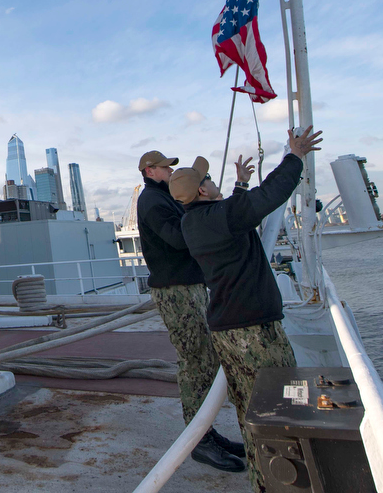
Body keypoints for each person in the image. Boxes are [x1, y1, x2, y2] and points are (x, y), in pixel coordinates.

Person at [170, 126, 323, 493]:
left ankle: (263, 481)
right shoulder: (222, 216)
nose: (211, 179)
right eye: (208, 177)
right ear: (204, 190)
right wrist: (295, 156)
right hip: (253, 332)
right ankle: (287, 482)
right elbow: (269, 196)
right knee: (281, 406)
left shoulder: (192, 223)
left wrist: (239, 184)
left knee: (249, 411)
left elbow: (234, 214)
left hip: (225, 330)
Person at [136, 149, 246, 473]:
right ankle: (198, 441)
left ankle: (205, 431)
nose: (171, 171)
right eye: (166, 167)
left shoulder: (164, 199)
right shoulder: (153, 202)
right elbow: (177, 238)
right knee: (195, 360)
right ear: (150, 171)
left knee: (206, 358)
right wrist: (198, 210)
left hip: (187, 286)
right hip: (175, 291)